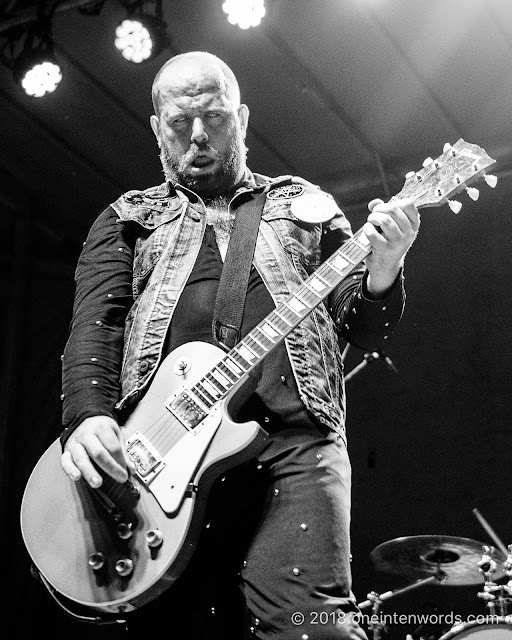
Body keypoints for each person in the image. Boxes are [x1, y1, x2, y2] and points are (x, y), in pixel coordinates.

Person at [59, 51, 419, 640]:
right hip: (163, 456)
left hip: (293, 445)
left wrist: (384, 269)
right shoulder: (130, 217)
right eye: (179, 122)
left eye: (216, 117)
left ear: (243, 120)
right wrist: (88, 417)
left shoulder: (303, 204)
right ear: (157, 128)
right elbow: (95, 327)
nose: (198, 135)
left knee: (315, 628)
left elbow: (364, 326)